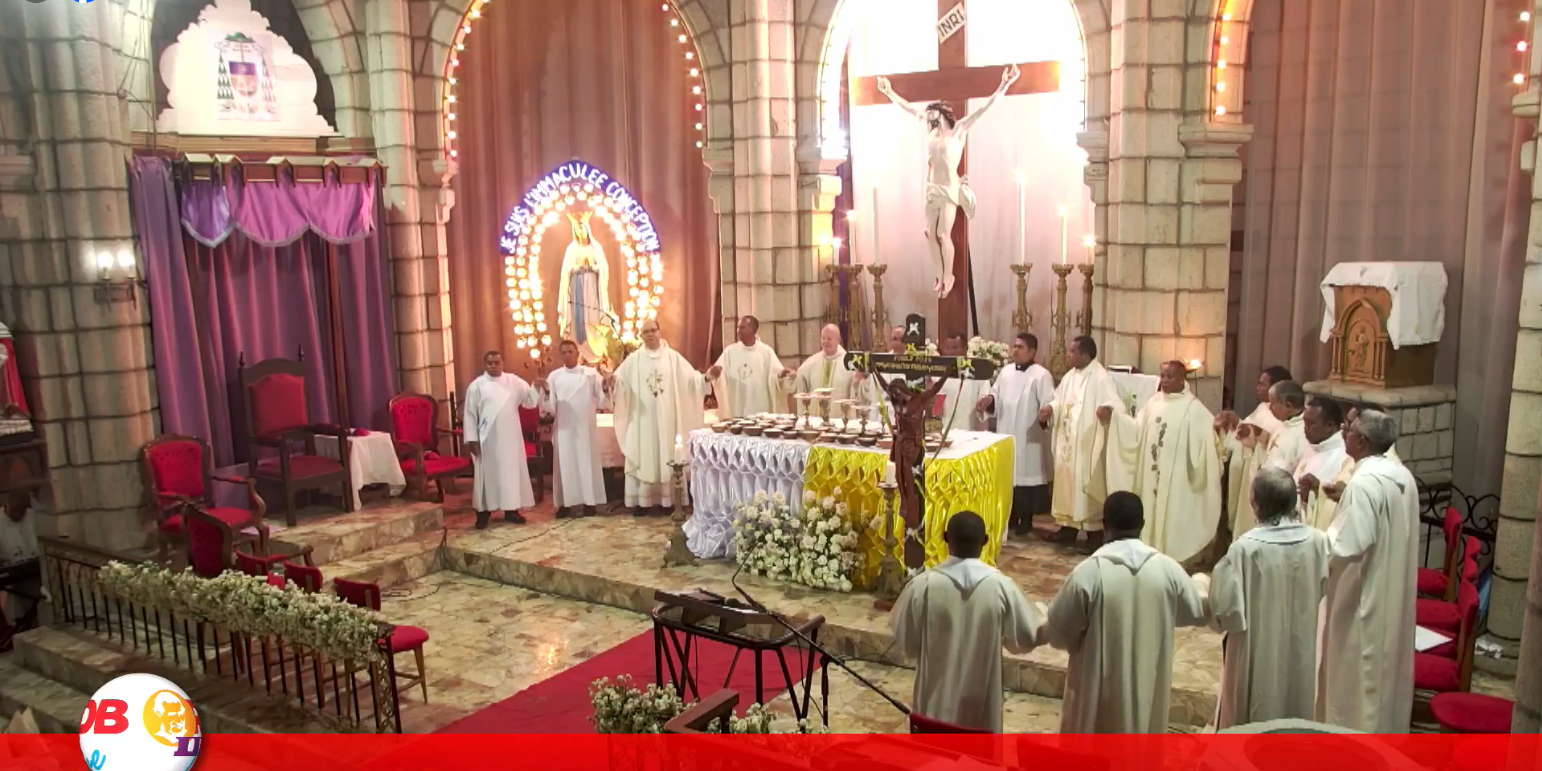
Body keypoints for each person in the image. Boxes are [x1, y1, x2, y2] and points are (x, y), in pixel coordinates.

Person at [1039, 491, 1208, 733]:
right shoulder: (1167, 570)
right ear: (1142, 525)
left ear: (1105, 525)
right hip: (1147, 691)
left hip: (1096, 697)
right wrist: (1201, 581)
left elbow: (1057, 632)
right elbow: (1197, 610)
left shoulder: (1089, 574)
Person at [1193, 468, 1328, 729]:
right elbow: (1322, 586)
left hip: (1256, 646)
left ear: (1257, 504)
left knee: (1255, 705)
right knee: (1294, 703)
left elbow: (1225, 611)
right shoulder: (1317, 541)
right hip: (1300, 643)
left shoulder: (1246, 548)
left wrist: (1202, 586)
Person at [876, 65, 1020, 299]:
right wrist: (889, 92)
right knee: (927, 232)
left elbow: (986, 107)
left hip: (949, 188)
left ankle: (948, 276)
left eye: (931, 111)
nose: (928, 113)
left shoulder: (960, 129)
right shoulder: (929, 130)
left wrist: (1004, 84)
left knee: (943, 234)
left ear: (940, 112)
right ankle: (938, 273)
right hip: (931, 188)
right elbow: (909, 109)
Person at [892, 511, 1042, 732]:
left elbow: (906, 642)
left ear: (944, 538)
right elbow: (1026, 638)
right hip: (980, 701)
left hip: (935, 698)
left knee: (932, 758)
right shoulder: (1001, 587)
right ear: (985, 541)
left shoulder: (923, 586)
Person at [1316, 409, 1418, 733]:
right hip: (1392, 588)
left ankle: (1351, 750)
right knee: (1384, 675)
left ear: (1361, 441)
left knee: (1355, 676)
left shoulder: (1364, 482)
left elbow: (1346, 544)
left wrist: (1304, 548)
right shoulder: (1401, 475)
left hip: (1363, 595)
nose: (1344, 433)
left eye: (1349, 430)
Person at [1101, 361, 1222, 567]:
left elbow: (1210, 439)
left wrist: (1219, 430)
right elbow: (1136, 429)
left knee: (1171, 513)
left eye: (1170, 376)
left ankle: (1171, 556)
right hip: (1150, 475)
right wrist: (1115, 419)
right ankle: (1148, 550)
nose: (1164, 381)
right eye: (1162, 375)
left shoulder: (1193, 408)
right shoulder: (1154, 402)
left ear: (1182, 379)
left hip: (1176, 480)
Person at [1040, 335, 1127, 553]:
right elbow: (1060, 399)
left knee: (1086, 484)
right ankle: (1067, 528)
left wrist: (1107, 410)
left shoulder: (1100, 377)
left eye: (1071, 352)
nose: (1067, 355)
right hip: (1068, 442)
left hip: (1087, 444)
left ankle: (1093, 535)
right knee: (1066, 483)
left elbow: (1116, 405)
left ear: (1085, 355)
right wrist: (1051, 408)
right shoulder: (1070, 376)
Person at [612, 319, 708, 517]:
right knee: (644, 452)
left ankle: (668, 499)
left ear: (659, 331)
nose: (650, 334)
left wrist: (705, 379)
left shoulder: (673, 358)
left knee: (667, 453)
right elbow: (619, 382)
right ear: (641, 335)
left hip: (668, 418)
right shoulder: (634, 360)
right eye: (646, 332)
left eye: (653, 330)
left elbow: (692, 381)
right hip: (642, 418)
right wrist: (610, 382)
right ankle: (643, 501)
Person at [975, 333, 1055, 537]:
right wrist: (988, 401)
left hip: (1029, 434)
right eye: (1015, 346)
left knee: (1026, 475)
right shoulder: (1006, 371)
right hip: (1007, 430)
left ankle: (1026, 520)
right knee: (1008, 474)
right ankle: (1009, 517)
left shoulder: (1041, 375)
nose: (1015, 350)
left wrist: (1046, 412)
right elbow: (996, 394)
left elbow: (1049, 402)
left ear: (1032, 351)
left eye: (1020, 347)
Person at [463, 351, 542, 529]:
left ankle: (511, 509)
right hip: (487, 439)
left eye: (496, 362)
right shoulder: (477, 386)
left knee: (510, 474)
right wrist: (472, 440)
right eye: (489, 363)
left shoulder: (513, 381)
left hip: (510, 438)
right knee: (487, 475)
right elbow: (469, 415)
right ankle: (483, 513)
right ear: (485, 365)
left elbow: (529, 401)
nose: (493, 366)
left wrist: (536, 387)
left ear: (503, 363)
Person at [1216, 366, 1291, 541]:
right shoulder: (1263, 409)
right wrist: (1236, 423)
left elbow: (1268, 443)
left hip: (1258, 473)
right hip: (1244, 470)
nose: (1257, 387)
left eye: (1262, 384)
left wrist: (1253, 435)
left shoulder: (1280, 420)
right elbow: (1248, 432)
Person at [541, 340, 610, 518]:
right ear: (560, 354)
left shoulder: (590, 374)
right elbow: (549, 405)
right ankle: (565, 504)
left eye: (570, 351)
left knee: (586, 463)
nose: (567, 355)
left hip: (585, 427)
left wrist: (605, 386)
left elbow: (603, 397)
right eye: (563, 352)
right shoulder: (555, 376)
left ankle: (589, 502)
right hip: (564, 427)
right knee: (565, 464)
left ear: (577, 353)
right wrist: (547, 394)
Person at [705, 316, 792, 419]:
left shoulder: (766, 352)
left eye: (742, 327)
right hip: (738, 405)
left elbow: (775, 380)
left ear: (753, 330)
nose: (738, 331)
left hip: (760, 407)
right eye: (738, 327)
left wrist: (780, 376)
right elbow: (719, 375)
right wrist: (716, 374)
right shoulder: (730, 352)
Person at [1292, 398, 1349, 530]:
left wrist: (1313, 492)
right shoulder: (1314, 444)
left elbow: (1335, 502)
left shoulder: (1342, 455)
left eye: (1311, 424)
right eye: (1304, 423)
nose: (1305, 428)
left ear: (1330, 426)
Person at [788, 324, 871, 411]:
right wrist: (795, 377)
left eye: (829, 339)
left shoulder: (849, 361)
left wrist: (858, 382)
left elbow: (858, 390)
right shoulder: (812, 361)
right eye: (823, 338)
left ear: (838, 340)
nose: (825, 341)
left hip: (840, 416)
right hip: (816, 418)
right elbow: (801, 381)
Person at [0, 491, 41, 631]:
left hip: (36, 575)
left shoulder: (33, 516)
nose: (19, 514)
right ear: (7, 505)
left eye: (22, 510)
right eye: (15, 510)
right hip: (13, 579)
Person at [935, 332, 988, 431]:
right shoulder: (941, 372)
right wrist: (937, 410)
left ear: (965, 349)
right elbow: (939, 400)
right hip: (946, 429)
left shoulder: (978, 372)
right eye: (948, 348)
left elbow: (984, 397)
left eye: (955, 348)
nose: (950, 352)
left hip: (970, 429)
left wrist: (982, 404)